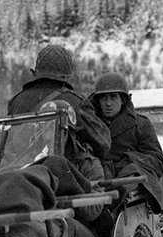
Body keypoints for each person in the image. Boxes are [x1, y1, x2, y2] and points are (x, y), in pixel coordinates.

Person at [7, 44, 111, 187]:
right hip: (65, 180)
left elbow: (10, 146)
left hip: (23, 178)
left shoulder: (16, 101)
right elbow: (103, 143)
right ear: (67, 76)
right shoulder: (76, 102)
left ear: (37, 72)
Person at [88, 72, 163, 200]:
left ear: (123, 100)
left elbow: (158, 161)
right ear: (98, 101)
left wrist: (129, 161)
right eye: (104, 98)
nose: (108, 103)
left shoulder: (140, 124)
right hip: (97, 185)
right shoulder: (89, 125)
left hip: (130, 194)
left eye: (113, 97)